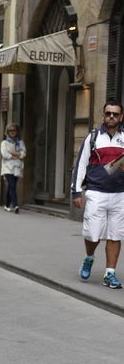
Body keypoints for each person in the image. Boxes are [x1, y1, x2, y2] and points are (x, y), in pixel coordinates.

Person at [71, 99, 124, 290]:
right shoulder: (93, 138)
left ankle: (110, 273)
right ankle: (89, 257)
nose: (111, 117)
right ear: (103, 115)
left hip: (120, 194)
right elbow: (80, 166)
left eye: (115, 114)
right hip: (96, 192)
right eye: (108, 113)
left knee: (115, 234)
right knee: (93, 235)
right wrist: (76, 191)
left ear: (121, 117)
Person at [0, 123, 26, 213]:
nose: (12, 132)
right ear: (7, 132)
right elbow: (4, 154)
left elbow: (23, 154)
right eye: (10, 130)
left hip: (17, 167)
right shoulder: (4, 143)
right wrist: (15, 155)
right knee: (12, 185)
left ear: (17, 131)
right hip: (7, 167)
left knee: (11, 186)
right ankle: (15, 205)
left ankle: (7, 205)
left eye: (14, 130)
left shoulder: (20, 142)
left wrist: (14, 153)